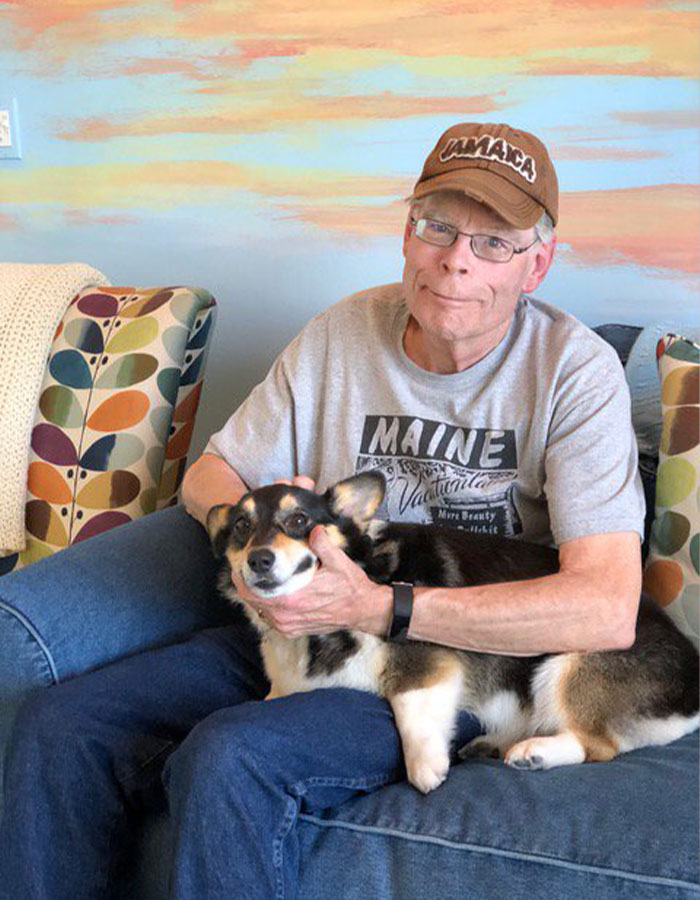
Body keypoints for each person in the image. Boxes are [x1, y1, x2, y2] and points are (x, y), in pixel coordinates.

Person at [0, 122, 644, 900]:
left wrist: (380, 606)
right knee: (63, 726)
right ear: (407, 235)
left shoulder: (575, 373)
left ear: (536, 263)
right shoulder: (341, 334)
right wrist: (247, 529)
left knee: (232, 755)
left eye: (494, 243)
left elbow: (607, 607)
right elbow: (211, 475)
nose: (456, 259)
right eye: (437, 227)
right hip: (290, 627)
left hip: (438, 666)